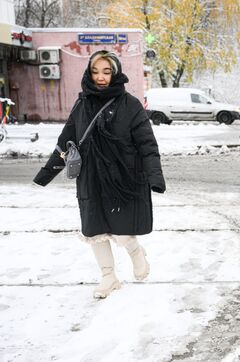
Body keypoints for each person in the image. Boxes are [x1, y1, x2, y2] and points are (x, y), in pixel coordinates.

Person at [33, 50, 165, 298]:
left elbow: (147, 144)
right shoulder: (82, 104)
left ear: (115, 73)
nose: (101, 77)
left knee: (123, 230)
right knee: (94, 230)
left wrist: (155, 177)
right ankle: (108, 277)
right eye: (95, 71)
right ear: (89, 73)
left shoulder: (131, 105)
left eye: (106, 71)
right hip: (91, 177)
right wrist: (46, 174)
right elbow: (66, 141)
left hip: (122, 178)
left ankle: (136, 252)